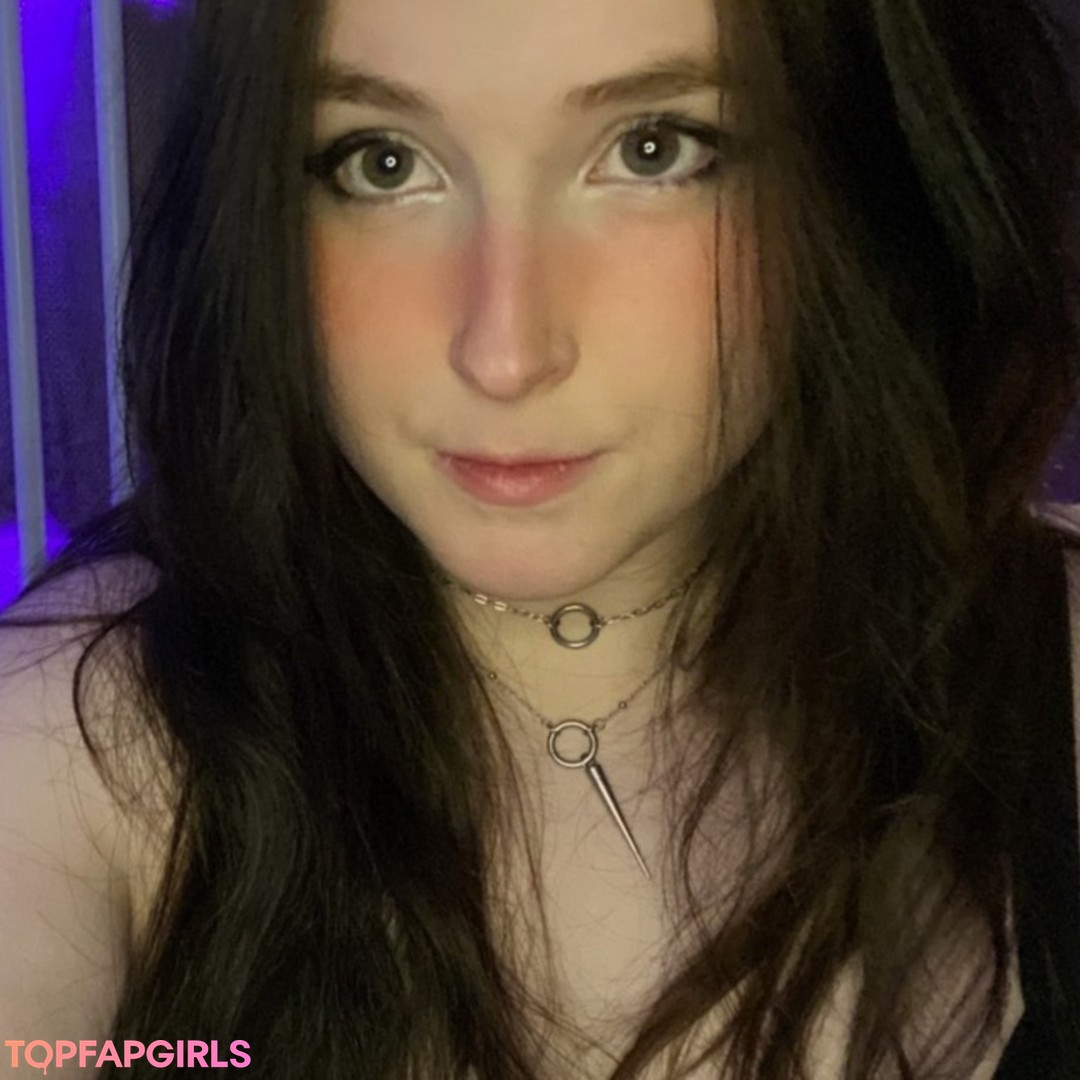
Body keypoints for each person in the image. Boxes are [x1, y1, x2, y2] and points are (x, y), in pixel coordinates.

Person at [1, 0, 1079, 1076]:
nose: (503, 353)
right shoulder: (83, 739)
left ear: (860, 169)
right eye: (382, 162)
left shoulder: (1048, 670)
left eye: (655, 149)